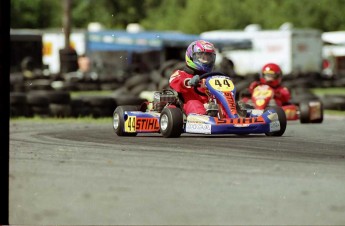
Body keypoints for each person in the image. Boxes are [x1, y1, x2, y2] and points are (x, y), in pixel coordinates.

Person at [169, 40, 216, 115]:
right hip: (189, 104)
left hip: (210, 104)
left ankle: (233, 118)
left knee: (223, 104)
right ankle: (201, 121)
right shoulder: (181, 74)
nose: (206, 60)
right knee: (195, 104)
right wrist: (189, 82)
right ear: (191, 56)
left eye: (209, 58)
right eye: (202, 57)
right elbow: (174, 81)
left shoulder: (211, 77)